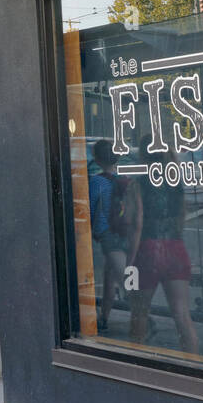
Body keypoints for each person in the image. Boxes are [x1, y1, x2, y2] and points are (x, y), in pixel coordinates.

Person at [130, 157, 199, 356]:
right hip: (176, 247)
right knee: (182, 314)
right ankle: (194, 367)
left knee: (139, 312)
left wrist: (130, 262)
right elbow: (182, 216)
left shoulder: (139, 183)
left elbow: (136, 221)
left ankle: (136, 361)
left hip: (147, 249)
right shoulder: (175, 184)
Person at [88, 140, 142, 332]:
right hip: (125, 233)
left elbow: (90, 208)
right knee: (111, 276)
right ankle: (103, 317)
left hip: (108, 235)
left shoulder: (96, 181)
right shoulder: (123, 179)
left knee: (125, 280)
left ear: (97, 159)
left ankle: (145, 319)